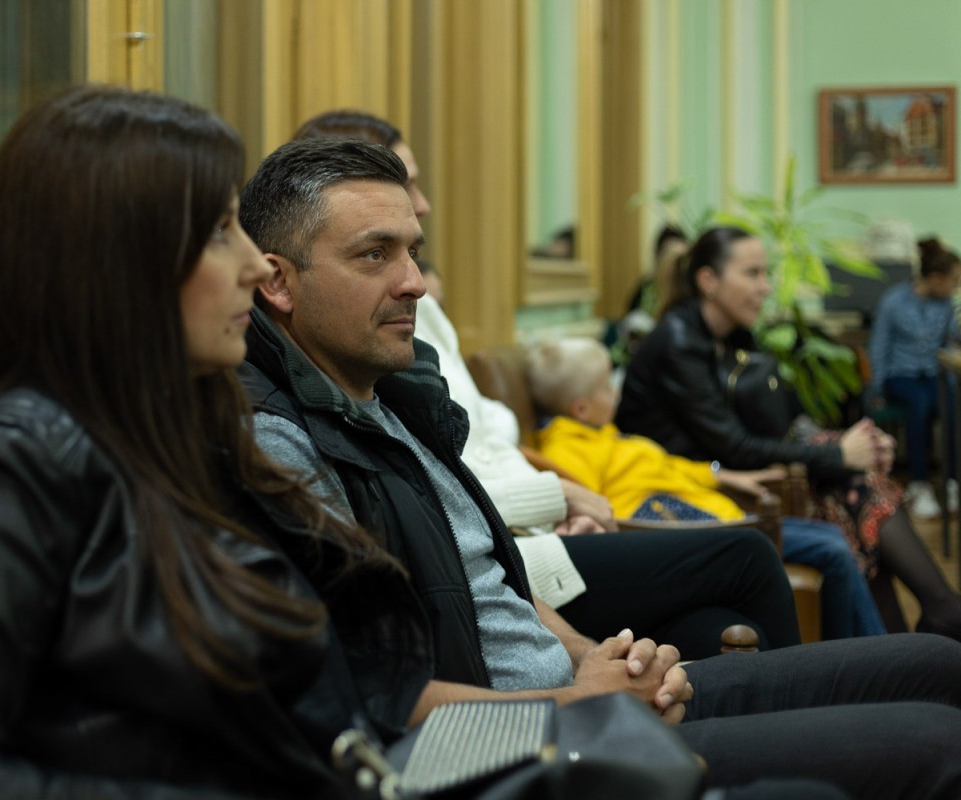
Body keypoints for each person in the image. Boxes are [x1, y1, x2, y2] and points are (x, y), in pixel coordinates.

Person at [237, 136, 961, 800]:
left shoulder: (390, 395)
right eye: (375, 255)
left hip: (579, 703)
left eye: (413, 253)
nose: (415, 282)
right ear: (277, 281)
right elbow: (378, 703)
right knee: (936, 743)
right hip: (526, 751)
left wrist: (599, 661)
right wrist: (580, 702)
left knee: (936, 661)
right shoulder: (278, 443)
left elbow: (494, 583)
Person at [0, 87, 435, 800]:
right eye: (219, 232)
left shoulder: (174, 437)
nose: (254, 266)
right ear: (118, 261)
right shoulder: (0, 469)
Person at [292, 110, 802, 657]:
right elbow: (434, 500)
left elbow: (477, 450)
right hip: (514, 546)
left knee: (716, 626)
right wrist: (554, 500)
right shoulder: (361, 347)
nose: (422, 203)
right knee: (747, 557)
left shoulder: (416, 314)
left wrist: (566, 498)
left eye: (411, 251)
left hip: (528, 530)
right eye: (376, 251)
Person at [617, 225, 961, 641]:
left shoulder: (728, 335)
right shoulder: (678, 341)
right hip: (687, 490)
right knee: (851, 484)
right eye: (752, 274)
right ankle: (930, 620)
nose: (765, 287)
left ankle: (907, 641)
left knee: (854, 485)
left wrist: (852, 445)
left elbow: (780, 422)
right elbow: (734, 446)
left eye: (765, 273)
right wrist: (839, 454)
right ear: (709, 280)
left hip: (726, 473)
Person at [530, 337, 886, 639]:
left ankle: (870, 654)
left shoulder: (603, 434)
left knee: (832, 536)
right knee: (832, 550)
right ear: (581, 408)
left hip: (714, 515)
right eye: (606, 387)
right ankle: (865, 661)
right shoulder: (566, 449)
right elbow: (590, 506)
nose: (615, 391)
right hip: (681, 530)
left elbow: (670, 467)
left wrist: (724, 476)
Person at [868, 236, 961, 518]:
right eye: (954, 281)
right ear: (935, 278)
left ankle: (951, 481)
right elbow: (878, 348)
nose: (956, 287)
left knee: (951, 404)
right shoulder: (893, 302)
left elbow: (952, 340)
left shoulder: (947, 305)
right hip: (900, 376)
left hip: (933, 374)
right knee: (919, 404)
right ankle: (920, 484)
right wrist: (876, 389)